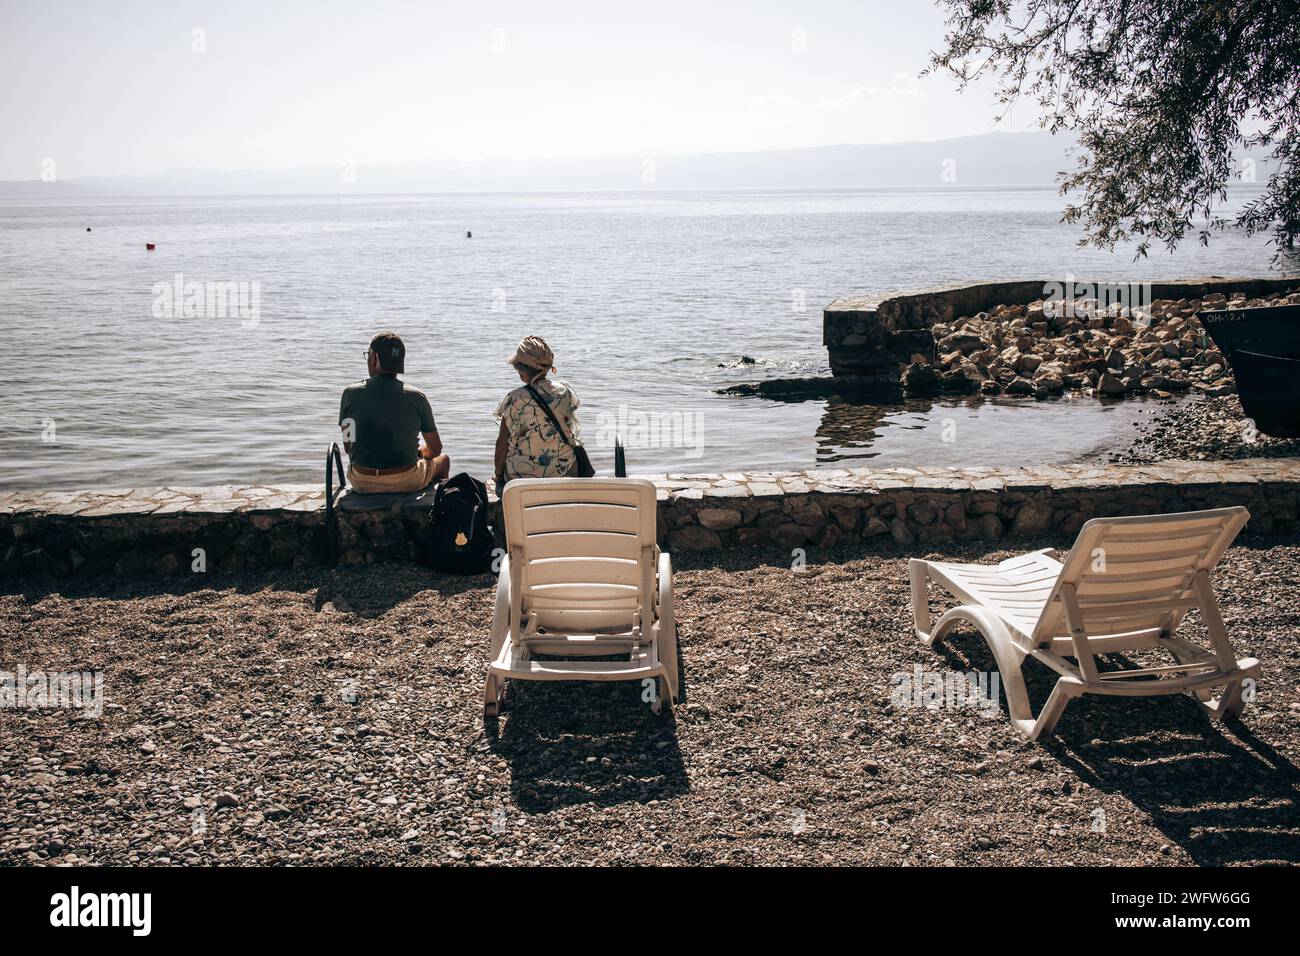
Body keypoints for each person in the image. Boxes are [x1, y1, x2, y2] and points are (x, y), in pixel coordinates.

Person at [339, 332, 450, 493]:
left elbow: (349, 447)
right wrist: (417, 453)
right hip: (406, 480)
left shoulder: (349, 394)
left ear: (375, 358)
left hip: (362, 481)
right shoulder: (417, 397)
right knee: (444, 460)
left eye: (368, 355)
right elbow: (435, 449)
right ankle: (439, 509)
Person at [494, 335, 581, 497]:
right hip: (564, 471)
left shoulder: (515, 399)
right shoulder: (564, 391)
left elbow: (502, 444)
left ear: (520, 370)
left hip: (521, 476)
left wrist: (498, 477)